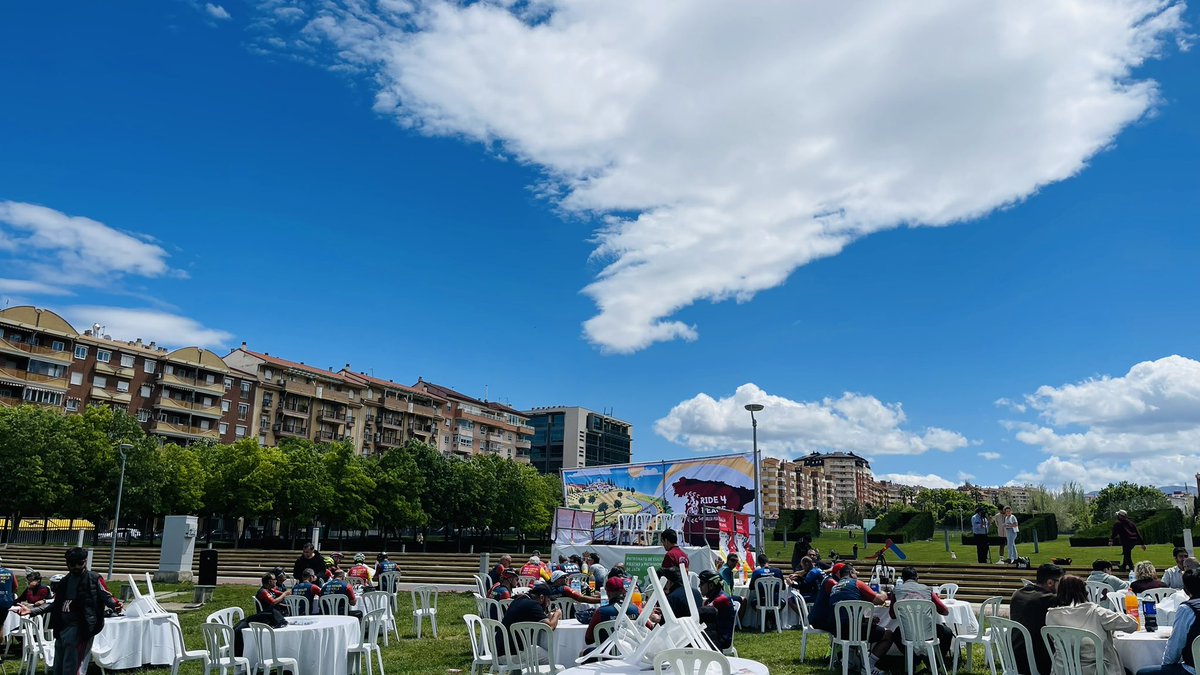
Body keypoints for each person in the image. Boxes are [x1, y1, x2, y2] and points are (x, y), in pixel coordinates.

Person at [15, 548, 121, 675]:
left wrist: (115, 605)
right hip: (62, 627)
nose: (76, 566)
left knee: (73, 667)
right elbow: (55, 604)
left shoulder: (93, 578)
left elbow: (106, 595)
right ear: (67, 563)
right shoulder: (65, 581)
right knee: (59, 666)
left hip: (82, 627)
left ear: (85, 561)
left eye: (80, 563)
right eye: (72, 563)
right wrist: (32, 611)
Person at [1045, 575, 1137, 675]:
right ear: (1083, 591)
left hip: (1063, 670)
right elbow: (1132, 624)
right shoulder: (1095, 612)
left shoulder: (1051, 615)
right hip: (1097, 670)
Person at [828, 563, 892, 675]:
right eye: (855, 573)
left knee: (865, 626)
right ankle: (868, 665)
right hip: (854, 630)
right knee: (889, 635)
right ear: (851, 573)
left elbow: (846, 613)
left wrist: (867, 620)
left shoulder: (835, 587)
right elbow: (879, 600)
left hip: (838, 631)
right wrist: (884, 593)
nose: (857, 575)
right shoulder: (856, 583)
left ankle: (851, 661)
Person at [1135, 569, 1200, 675]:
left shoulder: (1187, 609)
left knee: (1142, 673)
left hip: (1194, 670)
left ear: (1186, 590)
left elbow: (1175, 647)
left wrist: (1166, 667)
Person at [1010, 563, 1064, 675]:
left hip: (1014, 658)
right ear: (1050, 582)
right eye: (1061, 582)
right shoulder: (1049, 599)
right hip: (1040, 662)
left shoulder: (1018, 594)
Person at [887, 568, 953, 659]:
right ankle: (936, 661)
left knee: (896, 634)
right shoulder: (927, 590)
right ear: (917, 578)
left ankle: (914, 660)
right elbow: (945, 611)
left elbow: (892, 615)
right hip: (929, 632)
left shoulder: (896, 591)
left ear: (902, 579)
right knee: (947, 632)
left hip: (907, 633)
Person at [500, 583, 560, 661]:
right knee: (554, 659)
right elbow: (550, 627)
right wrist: (557, 614)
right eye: (548, 600)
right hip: (513, 654)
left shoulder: (520, 600)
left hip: (501, 651)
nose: (548, 604)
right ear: (542, 597)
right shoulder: (533, 605)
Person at [583, 577, 640, 651]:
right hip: (630, 653)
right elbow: (648, 628)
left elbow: (588, 640)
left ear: (607, 592)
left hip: (606, 655)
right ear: (623, 591)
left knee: (583, 653)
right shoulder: (635, 609)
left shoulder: (601, 612)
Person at [697, 570, 736, 652]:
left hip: (722, 640)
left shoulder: (720, 600)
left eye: (702, 583)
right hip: (718, 635)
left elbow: (699, 613)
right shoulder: (715, 598)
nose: (699, 586)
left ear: (711, 585)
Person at [747, 553, 785, 627]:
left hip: (761, 601)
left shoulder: (757, 572)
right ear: (768, 561)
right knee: (783, 602)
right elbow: (783, 587)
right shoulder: (777, 571)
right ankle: (772, 617)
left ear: (759, 563)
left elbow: (751, 587)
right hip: (776, 601)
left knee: (753, 603)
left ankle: (766, 617)